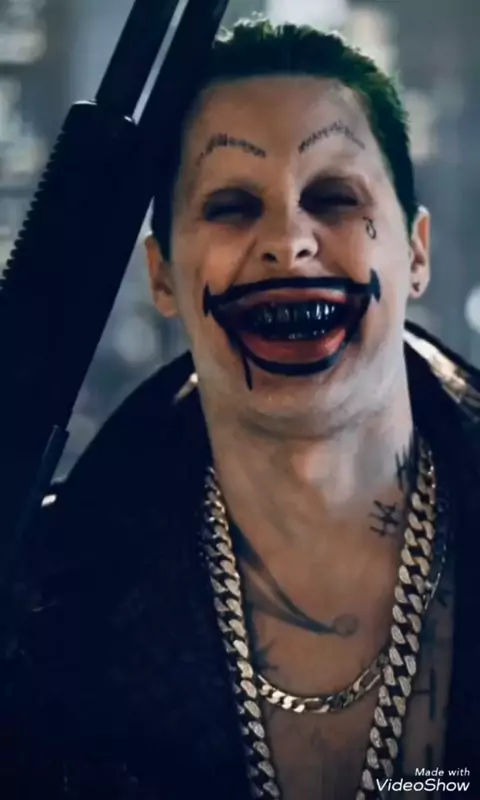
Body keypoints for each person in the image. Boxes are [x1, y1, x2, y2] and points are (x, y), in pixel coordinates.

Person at [1, 16, 479, 800]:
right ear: (162, 274)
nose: (288, 241)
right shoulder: (46, 601)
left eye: (333, 197)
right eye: (230, 205)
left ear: (415, 252)